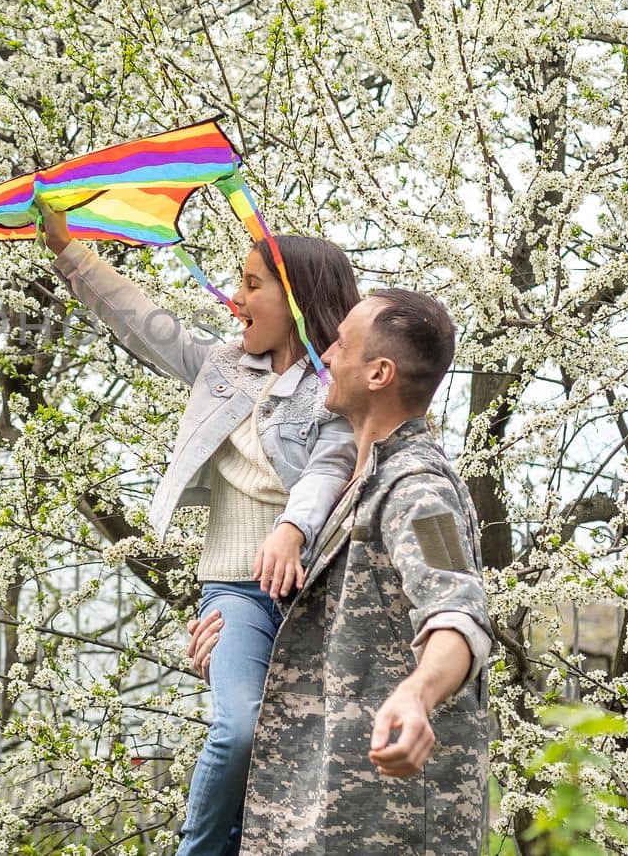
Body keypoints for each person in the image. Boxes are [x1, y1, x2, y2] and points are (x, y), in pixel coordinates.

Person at [37, 201, 358, 856]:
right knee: (239, 727)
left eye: (251, 284)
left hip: (313, 594)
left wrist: (293, 530)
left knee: (306, 753)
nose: (235, 296)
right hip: (236, 595)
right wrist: (70, 251)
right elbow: (145, 325)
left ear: (294, 300)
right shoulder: (222, 368)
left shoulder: (333, 393)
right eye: (237, 281)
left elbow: (329, 470)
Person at [189, 289, 493, 854]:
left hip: (385, 827)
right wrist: (237, 655)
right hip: (311, 814)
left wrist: (418, 695)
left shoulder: (417, 489)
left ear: (378, 373)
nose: (324, 354)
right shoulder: (351, 489)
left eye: (342, 345)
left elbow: (457, 612)